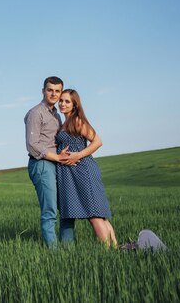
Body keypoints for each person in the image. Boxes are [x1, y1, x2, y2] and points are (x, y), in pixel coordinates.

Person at [56, 89, 117, 247]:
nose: (62, 103)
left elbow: (97, 141)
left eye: (67, 101)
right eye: (61, 100)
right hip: (73, 174)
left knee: (94, 215)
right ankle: (115, 249)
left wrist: (78, 155)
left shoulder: (77, 121)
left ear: (75, 105)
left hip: (83, 171)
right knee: (98, 215)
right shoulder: (64, 123)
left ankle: (107, 253)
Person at [24, 76, 75, 248]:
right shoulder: (35, 113)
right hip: (42, 164)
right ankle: (55, 254)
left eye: (57, 91)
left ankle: (69, 250)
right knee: (50, 211)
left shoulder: (56, 116)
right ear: (43, 91)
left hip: (57, 165)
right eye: (50, 90)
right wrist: (57, 157)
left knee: (68, 209)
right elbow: (32, 145)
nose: (53, 94)